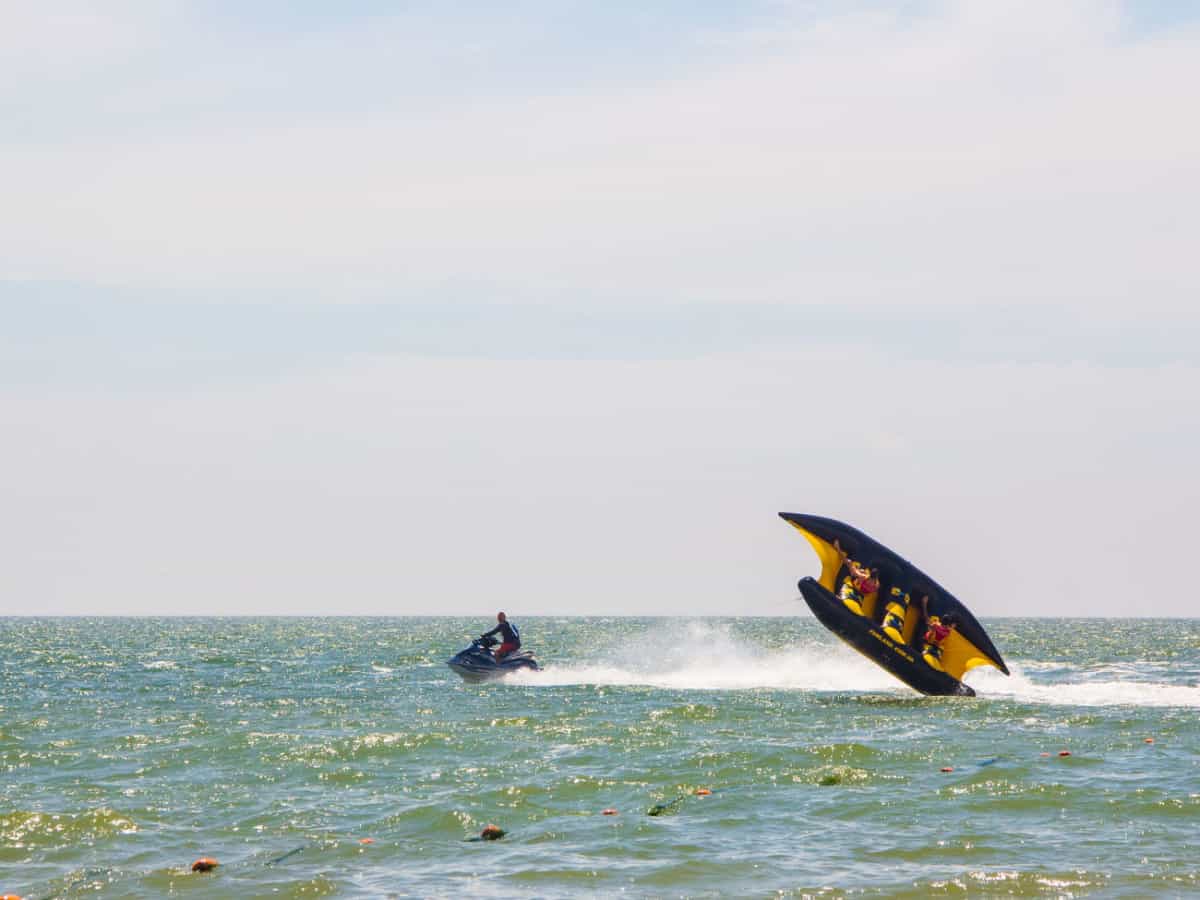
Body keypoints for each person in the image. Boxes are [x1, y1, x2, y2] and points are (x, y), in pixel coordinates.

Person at [833, 539, 879, 616]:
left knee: (849, 562)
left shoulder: (864, 577)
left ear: (870, 574)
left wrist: (852, 566)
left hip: (856, 586)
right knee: (861, 570)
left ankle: (837, 548)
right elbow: (872, 591)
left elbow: (853, 570)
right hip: (864, 593)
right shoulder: (877, 584)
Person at [920, 595, 957, 671]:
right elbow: (952, 627)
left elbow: (926, 618)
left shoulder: (936, 626)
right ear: (947, 624)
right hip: (934, 648)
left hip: (930, 646)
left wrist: (924, 604)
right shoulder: (948, 630)